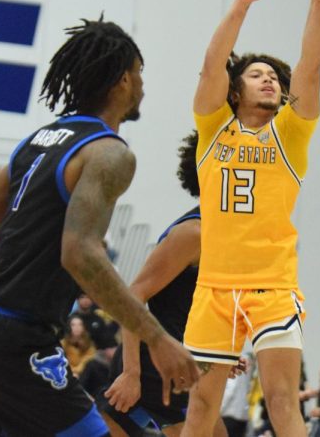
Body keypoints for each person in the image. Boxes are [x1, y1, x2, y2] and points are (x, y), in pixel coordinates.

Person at [0, 16, 199, 436]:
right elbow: (80, 253)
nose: (142, 85)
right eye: (139, 74)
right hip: (20, 342)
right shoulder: (109, 153)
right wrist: (156, 337)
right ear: (121, 80)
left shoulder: (38, 140)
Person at [180, 0, 320, 437]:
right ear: (235, 92)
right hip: (214, 288)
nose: (270, 78)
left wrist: (316, 6)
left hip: (273, 286)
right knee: (200, 409)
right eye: (257, 74)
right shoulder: (213, 130)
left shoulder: (290, 134)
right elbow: (212, 65)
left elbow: (310, 70)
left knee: (280, 402)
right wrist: (245, 1)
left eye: (274, 76)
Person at [101, 131, 224, 437]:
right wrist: (131, 373)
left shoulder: (223, 235)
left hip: (181, 365)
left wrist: (224, 354)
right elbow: (133, 296)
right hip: (152, 367)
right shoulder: (193, 233)